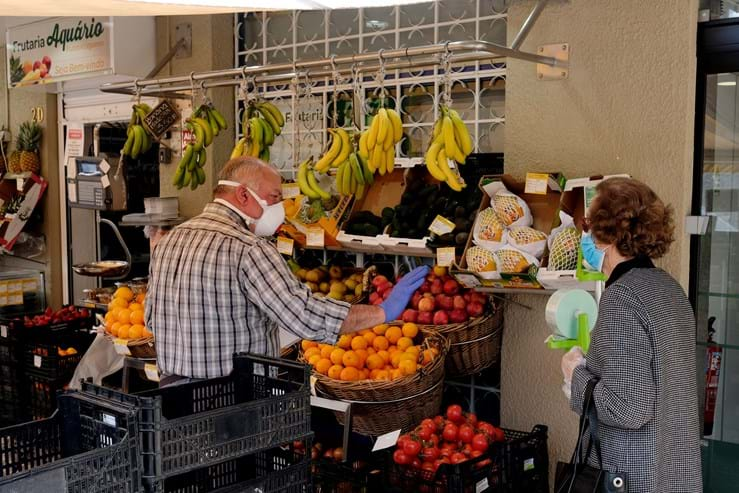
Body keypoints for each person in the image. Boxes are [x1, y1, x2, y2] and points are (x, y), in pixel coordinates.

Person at [145, 156, 428, 387]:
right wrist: (382, 312)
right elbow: (304, 316)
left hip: (174, 397)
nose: (280, 208)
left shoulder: (169, 241)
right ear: (244, 194)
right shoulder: (248, 249)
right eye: (274, 197)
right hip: (233, 401)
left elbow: (151, 318)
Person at [560, 177, 702, 492]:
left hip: (632, 474)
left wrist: (576, 375)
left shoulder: (622, 299)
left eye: (589, 226)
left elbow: (629, 407)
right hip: (674, 471)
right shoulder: (669, 288)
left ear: (603, 235)